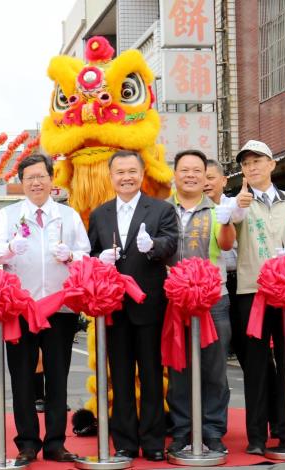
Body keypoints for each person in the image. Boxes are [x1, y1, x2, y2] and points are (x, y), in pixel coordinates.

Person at [0, 154, 90, 464]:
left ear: (51, 178)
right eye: (29, 177)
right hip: (20, 306)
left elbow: (86, 256)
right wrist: (8, 250)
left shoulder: (68, 216)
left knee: (58, 376)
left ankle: (56, 442)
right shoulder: (8, 216)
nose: (35, 182)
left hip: (59, 308)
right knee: (21, 378)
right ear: (21, 182)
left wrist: (70, 255)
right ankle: (28, 443)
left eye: (41, 176)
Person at [88, 149, 179, 461]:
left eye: (132, 171)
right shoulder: (100, 214)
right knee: (121, 376)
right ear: (111, 176)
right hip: (113, 307)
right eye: (120, 172)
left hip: (149, 303)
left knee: (152, 375)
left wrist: (152, 246)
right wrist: (98, 259)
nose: (126, 177)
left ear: (142, 174)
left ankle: (153, 442)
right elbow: (91, 253)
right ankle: (125, 441)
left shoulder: (160, 210)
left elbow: (171, 242)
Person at [230, 140, 285, 454]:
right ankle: (257, 438)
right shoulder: (239, 202)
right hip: (253, 291)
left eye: (258, 160)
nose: (252, 167)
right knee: (257, 367)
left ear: (272, 164)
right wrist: (236, 207)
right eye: (246, 163)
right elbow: (226, 238)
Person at [165, 151, 235, 454]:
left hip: (213, 298)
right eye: (185, 170)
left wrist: (227, 221)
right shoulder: (162, 211)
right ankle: (181, 430)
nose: (191, 175)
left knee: (214, 369)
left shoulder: (217, 209)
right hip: (174, 301)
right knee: (179, 368)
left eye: (197, 171)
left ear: (205, 176)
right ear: (175, 174)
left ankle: (212, 429)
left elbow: (228, 244)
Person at [205, 159, 242, 366]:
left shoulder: (232, 206)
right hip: (213, 286)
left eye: (211, 178)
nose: (206, 183)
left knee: (243, 342)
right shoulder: (195, 210)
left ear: (224, 181)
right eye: (203, 178)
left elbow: (239, 211)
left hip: (237, 282)